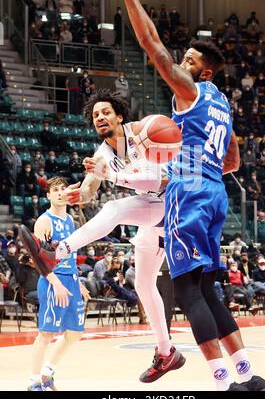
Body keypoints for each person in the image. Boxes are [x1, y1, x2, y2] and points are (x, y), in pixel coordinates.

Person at [109, 0, 265, 392]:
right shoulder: (222, 103)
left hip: (191, 191)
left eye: (190, 62)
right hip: (216, 194)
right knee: (206, 288)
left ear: (203, 73)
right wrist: (202, 166)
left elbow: (152, 46)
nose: (181, 64)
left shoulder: (194, 92)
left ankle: (223, 384)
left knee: (184, 290)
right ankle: (247, 377)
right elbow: (234, 159)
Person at [21, 90, 186, 383]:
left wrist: (112, 176)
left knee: (115, 207)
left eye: (106, 112)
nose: (100, 117)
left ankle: (56, 252)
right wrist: (77, 194)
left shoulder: (144, 133)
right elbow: (89, 188)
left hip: (173, 204)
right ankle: (166, 352)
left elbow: (160, 179)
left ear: (120, 115)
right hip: (152, 214)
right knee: (144, 286)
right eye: (96, 114)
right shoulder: (103, 153)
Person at [24, 176, 90, 391]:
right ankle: (33, 382)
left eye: (63, 188)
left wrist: (77, 282)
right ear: (49, 195)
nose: (61, 192)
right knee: (46, 334)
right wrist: (56, 283)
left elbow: (71, 255)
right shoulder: (45, 221)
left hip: (70, 280)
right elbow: (38, 260)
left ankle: (47, 372)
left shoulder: (71, 220)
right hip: (53, 281)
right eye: (56, 190)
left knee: (74, 332)